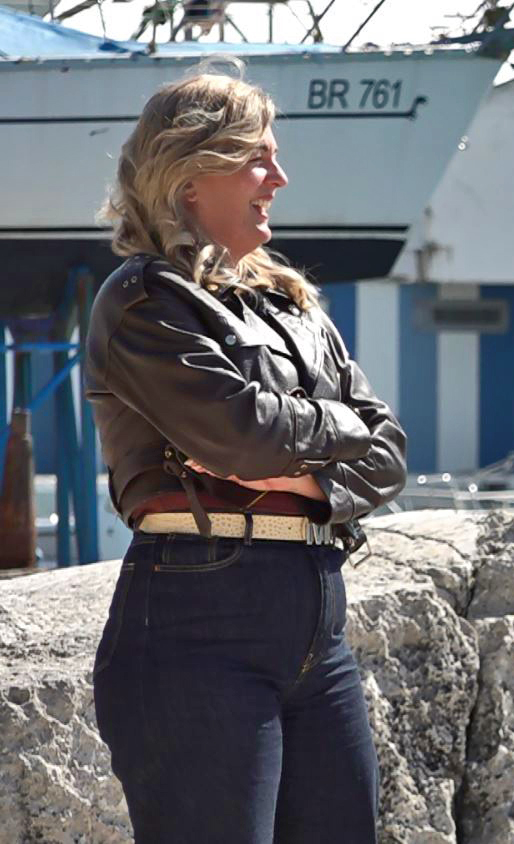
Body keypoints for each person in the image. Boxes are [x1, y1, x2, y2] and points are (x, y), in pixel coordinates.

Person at [83, 62, 407, 843]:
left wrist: (300, 473)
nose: (279, 180)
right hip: (197, 620)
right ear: (191, 176)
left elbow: (389, 453)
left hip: (317, 619)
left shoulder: (292, 303)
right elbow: (242, 437)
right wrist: (327, 436)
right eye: (258, 159)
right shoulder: (143, 301)